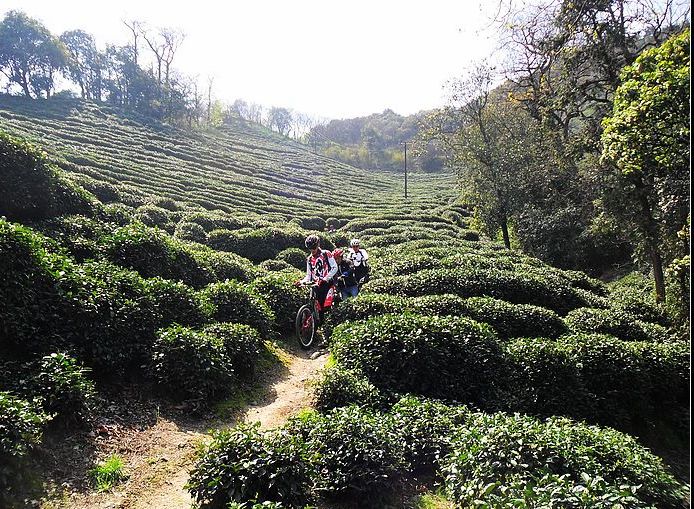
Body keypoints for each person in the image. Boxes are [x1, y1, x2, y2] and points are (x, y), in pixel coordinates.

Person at [295, 234, 338, 322]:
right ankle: (315, 324)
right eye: (310, 248)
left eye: (314, 248)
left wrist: (325, 278)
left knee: (325, 307)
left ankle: (327, 322)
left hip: (327, 283)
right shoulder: (309, 259)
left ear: (318, 245)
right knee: (314, 305)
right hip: (316, 284)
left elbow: (334, 267)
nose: (312, 250)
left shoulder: (326, 253)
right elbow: (309, 275)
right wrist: (301, 282)